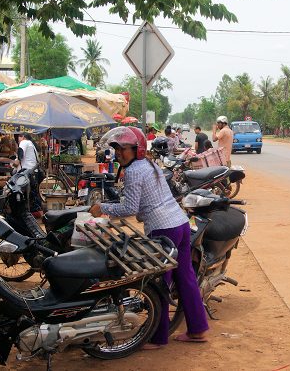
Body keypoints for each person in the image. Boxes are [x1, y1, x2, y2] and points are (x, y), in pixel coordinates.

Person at [89, 127, 208, 349]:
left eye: (123, 149)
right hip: (180, 224)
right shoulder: (150, 165)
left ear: (137, 149)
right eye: (116, 149)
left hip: (164, 231)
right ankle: (198, 329)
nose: (119, 154)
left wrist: (101, 207)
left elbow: (130, 207)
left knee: (159, 283)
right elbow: (148, 203)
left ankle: (158, 337)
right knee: (186, 278)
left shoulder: (134, 171)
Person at [15, 133, 42, 214]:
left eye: (18, 137)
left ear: (22, 137)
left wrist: (15, 162)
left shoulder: (24, 142)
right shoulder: (31, 144)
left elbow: (20, 154)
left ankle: (29, 213)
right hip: (34, 171)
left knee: (28, 193)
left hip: (28, 172)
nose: (18, 139)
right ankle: (36, 211)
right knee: (33, 193)